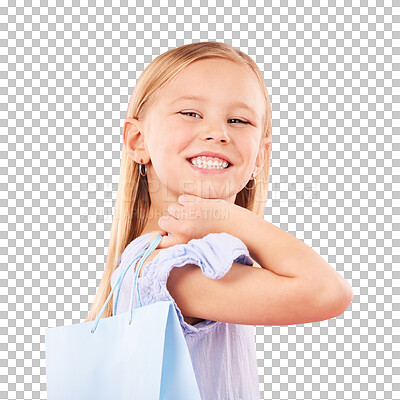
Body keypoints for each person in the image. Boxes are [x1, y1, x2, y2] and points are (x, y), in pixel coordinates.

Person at [85, 41, 354, 399]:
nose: (218, 132)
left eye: (238, 120)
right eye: (191, 113)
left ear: (260, 154)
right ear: (137, 140)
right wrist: (229, 217)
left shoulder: (173, 256)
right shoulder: (169, 268)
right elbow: (327, 292)